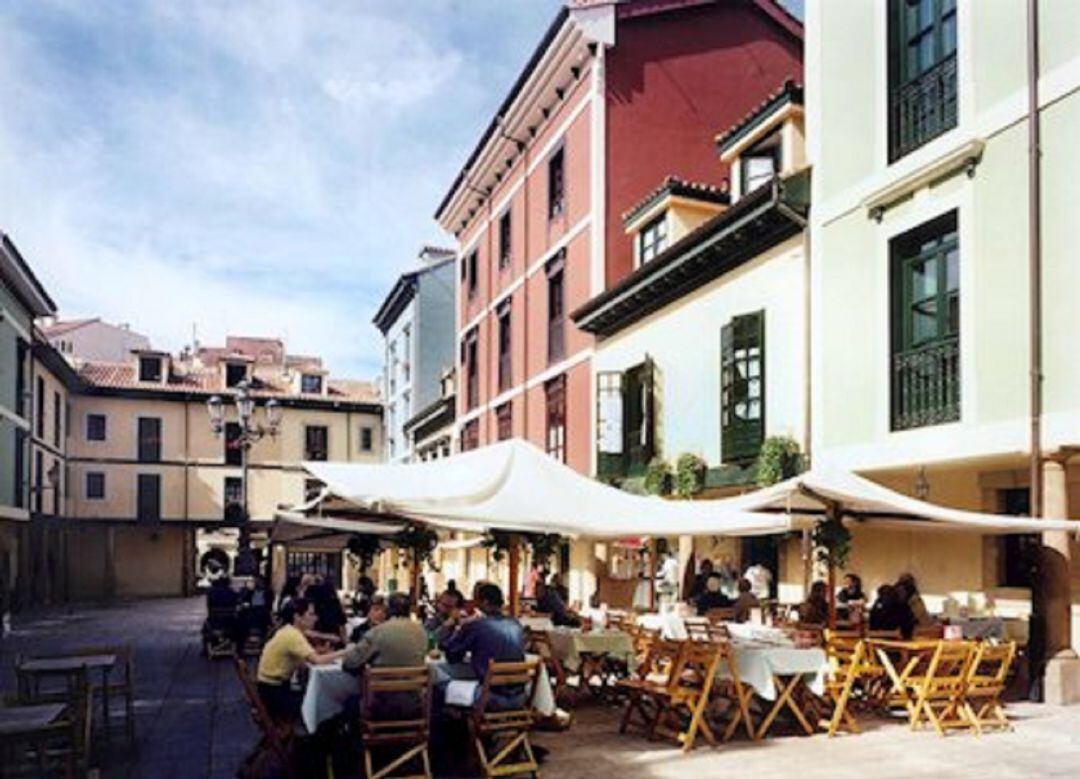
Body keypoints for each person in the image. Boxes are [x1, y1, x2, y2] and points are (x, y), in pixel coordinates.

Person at [256, 597, 347, 721]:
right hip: (275, 695)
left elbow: (306, 657)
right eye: (311, 614)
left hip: (268, 689)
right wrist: (345, 652)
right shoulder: (293, 635)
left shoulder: (288, 631)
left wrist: (321, 653)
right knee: (325, 704)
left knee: (320, 698)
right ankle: (321, 737)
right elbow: (317, 660)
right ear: (297, 617)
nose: (315, 618)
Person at [440, 583, 526, 710]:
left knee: (439, 684)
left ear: (485, 602)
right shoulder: (516, 624)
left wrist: (459, 631)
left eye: (477, 601)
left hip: (489, 697)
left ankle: (448, 728)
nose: (476, 605)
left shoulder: (477, 626)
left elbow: (452, 656)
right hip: (520, 697)